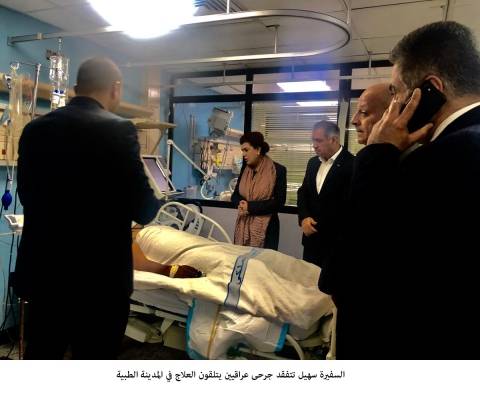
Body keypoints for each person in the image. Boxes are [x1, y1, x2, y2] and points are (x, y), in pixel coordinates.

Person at [336, 21, 480, 359]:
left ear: (431, 90)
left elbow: (352, 274)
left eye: (397, 92)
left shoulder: (444, 158)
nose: (393, 106)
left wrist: (376, 154)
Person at [14, 57, 162, 359]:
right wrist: (155, 197)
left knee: (41, 357)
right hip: (99, 284)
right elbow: (144, 210)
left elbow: (27, 196)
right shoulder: (119, 130)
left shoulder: (34, 130)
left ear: (75, 88)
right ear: (116, 88)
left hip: (44, 278)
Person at [297, 120, 354, 281]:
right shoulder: (313, 163)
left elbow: (348, 206)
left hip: (335, 244)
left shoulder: (352, 164)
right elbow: (303, 193)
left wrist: (319, 225)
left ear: (333, 140)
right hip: (310, 241)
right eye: (313, 140)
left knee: (328, 290)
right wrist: (304, 218)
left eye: (318, 140)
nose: (314, 145)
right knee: (307, 285)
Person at [231, 131, 286, 250]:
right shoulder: (245, 169)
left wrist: (250, 207)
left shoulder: (278, 170)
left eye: (246, 150)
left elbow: (279, 202)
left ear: (258, 149)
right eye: (242, 151)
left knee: (262, 261)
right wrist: (241, 204)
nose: (243, 154)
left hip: (267, 229)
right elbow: (235, 195)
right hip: (243, 224)